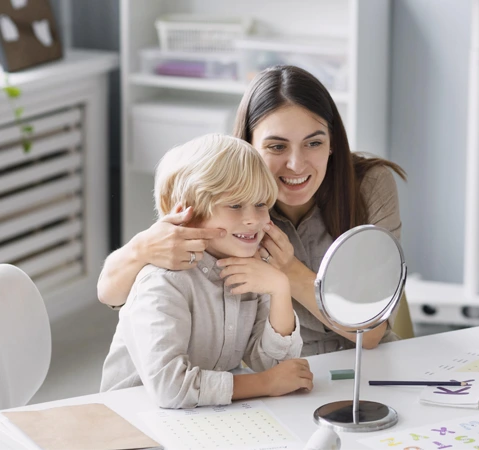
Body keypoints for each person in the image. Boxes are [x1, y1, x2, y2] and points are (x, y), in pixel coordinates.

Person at [97, 65, 411, 356]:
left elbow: (371, 332)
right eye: (277, 147)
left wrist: (288, 271)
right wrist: (140, 250)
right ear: (248, 146)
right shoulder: (226, 204)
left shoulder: (369, 185)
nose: (296, 164)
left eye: (313, 143)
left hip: (367, 360)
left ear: (332, 143)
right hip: (278, 367)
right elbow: (112, 294)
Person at [100, 134, 312, 408]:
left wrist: (280, 289)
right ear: (188, 213)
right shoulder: (163, 280)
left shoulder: (254, 270)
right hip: (134, 418)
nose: (253, 219)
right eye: (235, 205)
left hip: (202, 415)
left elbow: (276, 366)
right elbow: (170, 387)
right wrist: (265, 384)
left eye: (261, 204)